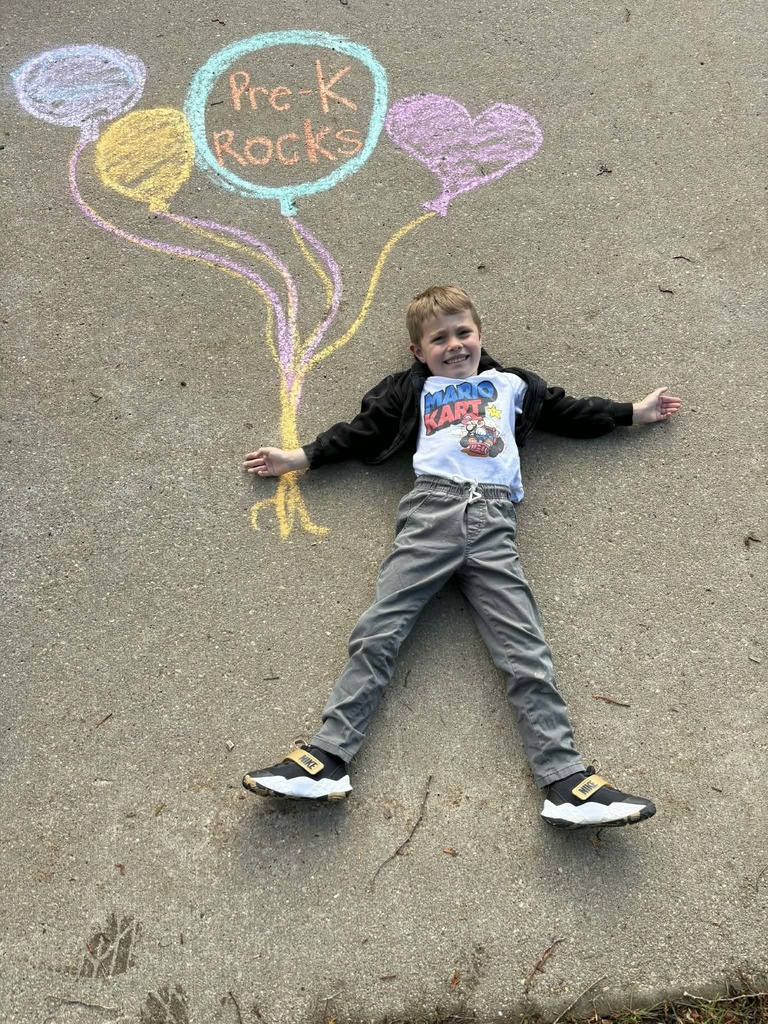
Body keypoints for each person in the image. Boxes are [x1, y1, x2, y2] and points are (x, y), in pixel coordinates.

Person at [241, 285, 681, 829]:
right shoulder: (413, 390)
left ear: (480, 335)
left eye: (463, 332)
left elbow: (568, 410)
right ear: (418, 351)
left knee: (525, 650)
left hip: (494, 522)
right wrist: (300, 457)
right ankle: (326, 759)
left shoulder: (511, 385)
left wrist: (633, 412)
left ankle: (566, 782)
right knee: (378, 633)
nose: (454, 345)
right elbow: (361, 432)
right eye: (439, 339)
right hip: (432, 513)